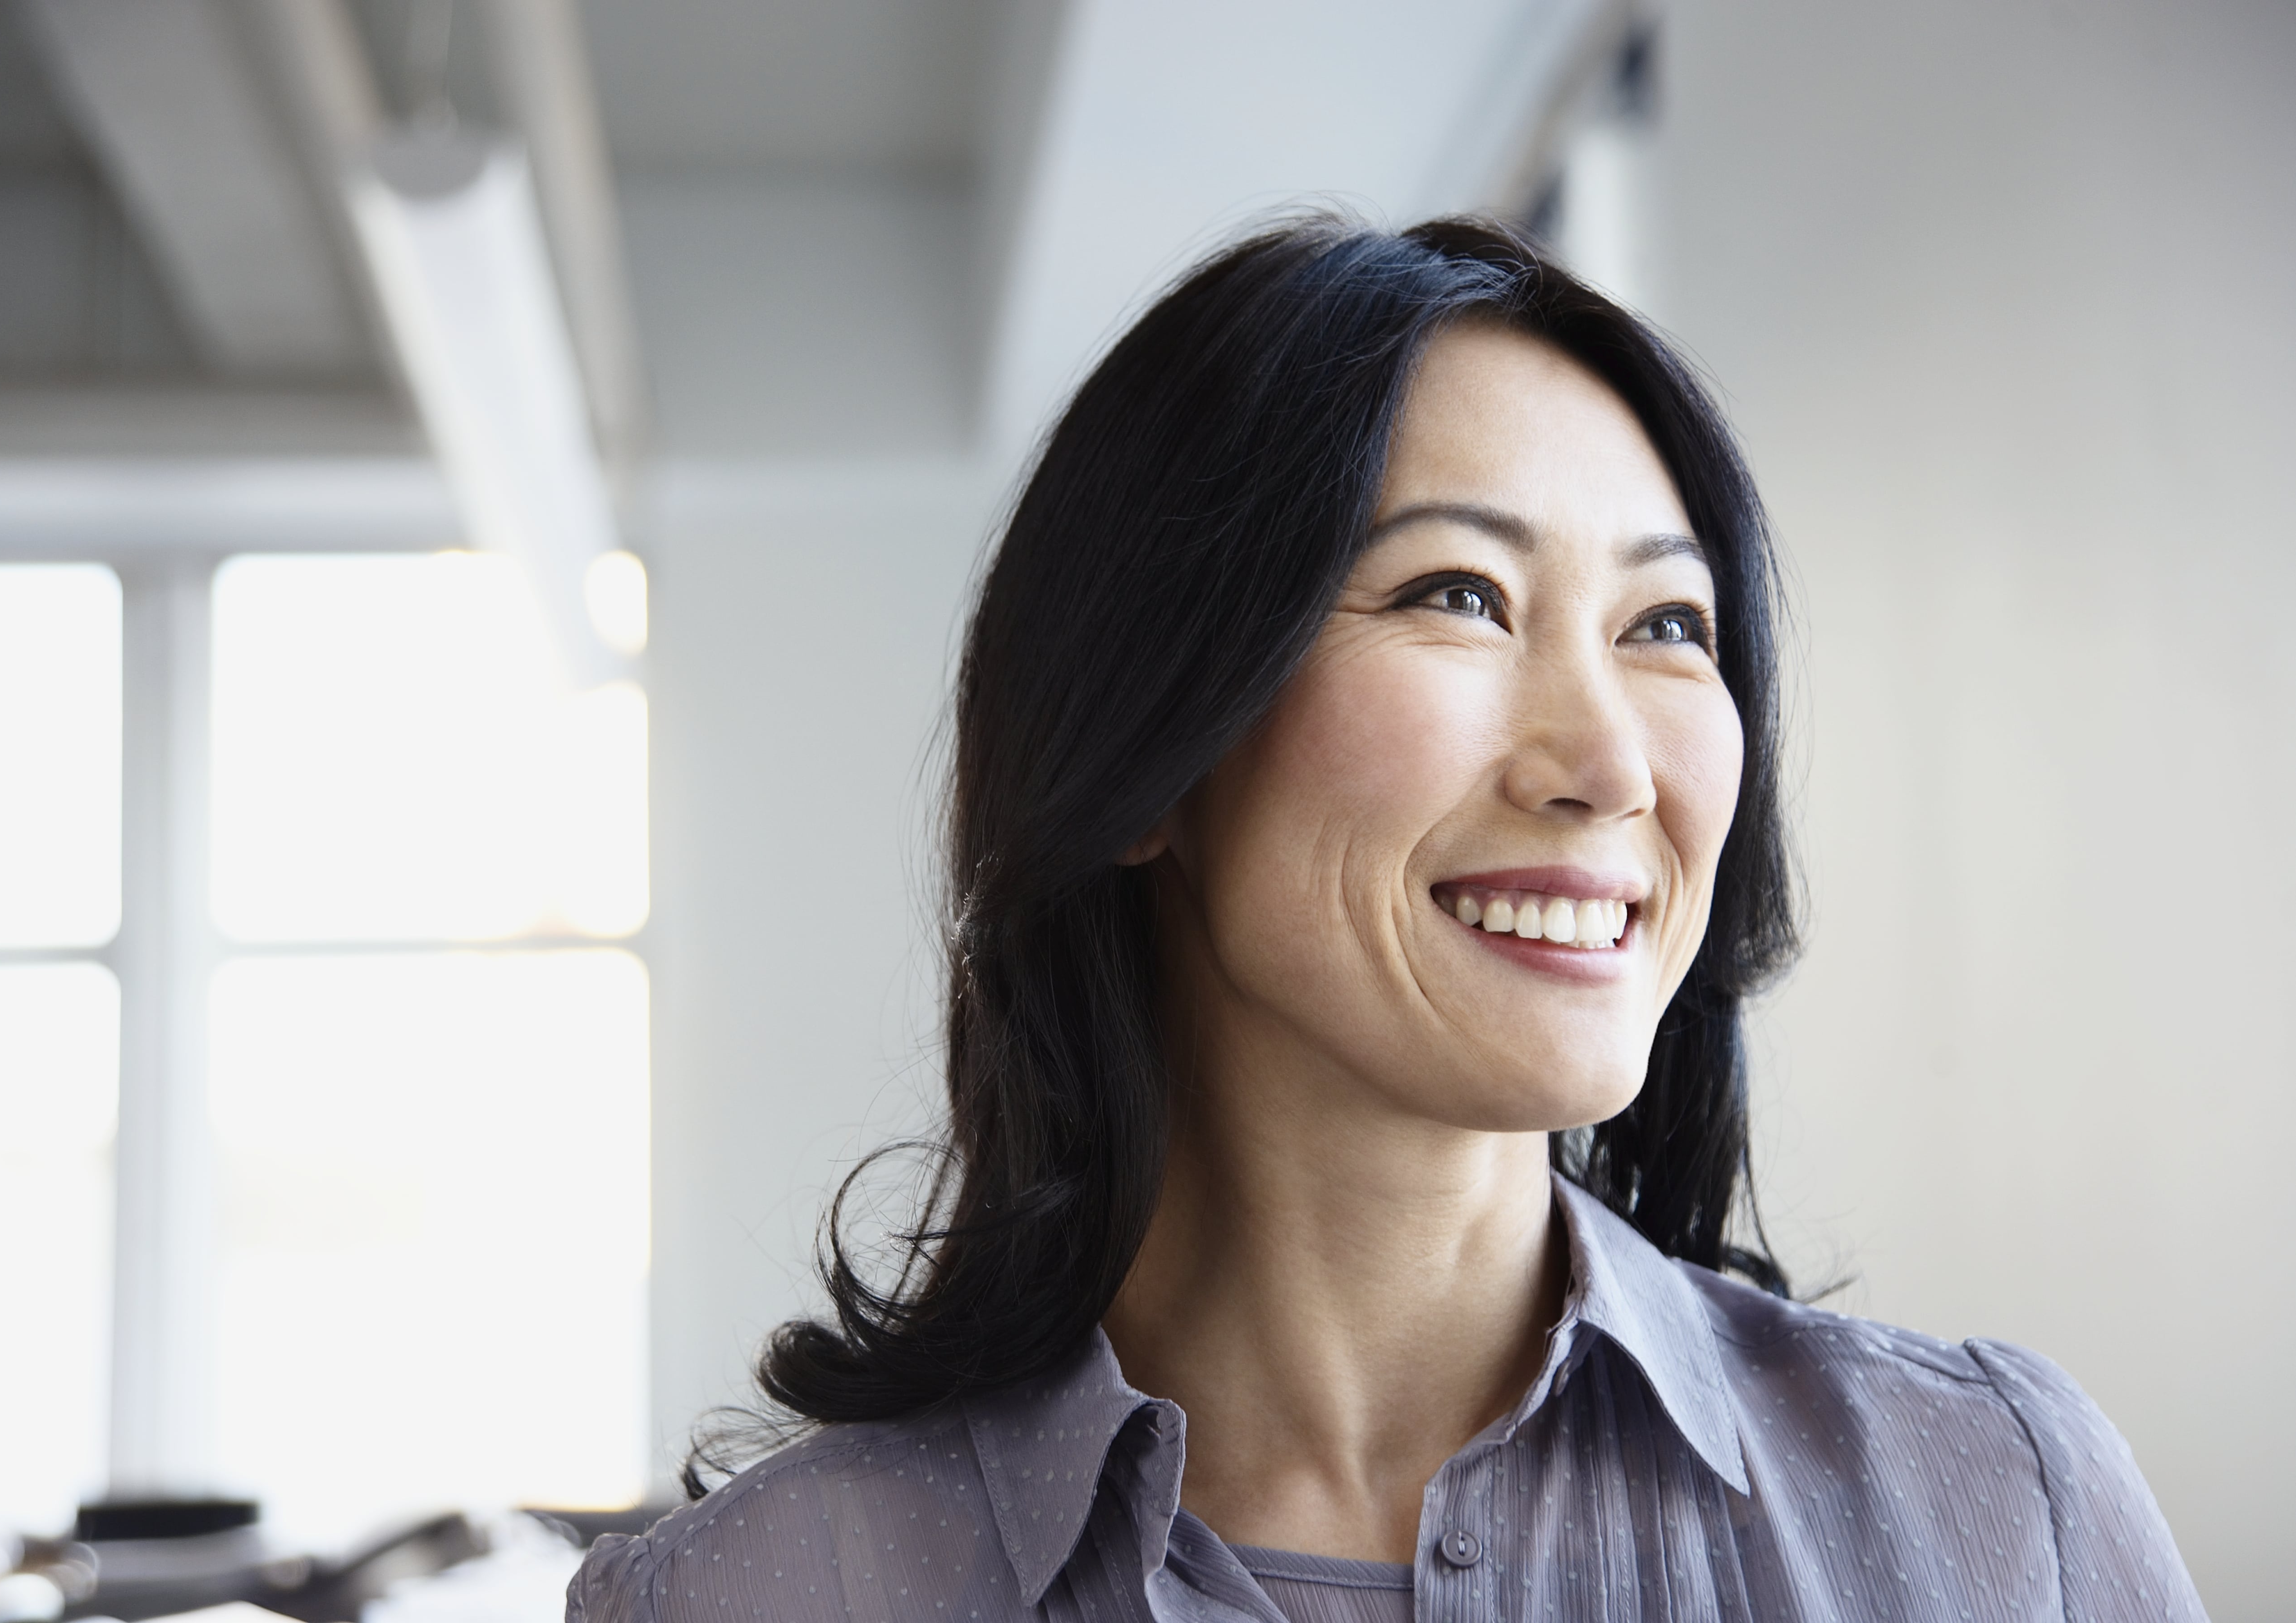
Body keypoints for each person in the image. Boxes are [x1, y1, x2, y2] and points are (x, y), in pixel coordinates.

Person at [568, 218, 2203, 1620]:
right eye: (1455, 597)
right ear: (1147, 752)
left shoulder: (2000, 1512)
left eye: (1667, 624)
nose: (1609, 763)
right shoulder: (757, 1595)